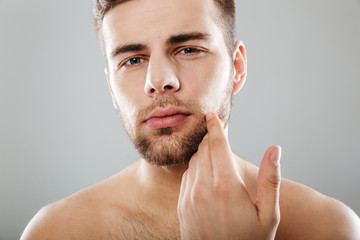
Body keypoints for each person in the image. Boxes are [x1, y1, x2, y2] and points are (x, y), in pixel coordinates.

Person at [21, 0, 360, 239]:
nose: (158, 80)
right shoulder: (57, 232)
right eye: (133, 59)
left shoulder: (328, 228)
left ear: (237, 68)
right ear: (111, 87)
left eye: (188, 49)